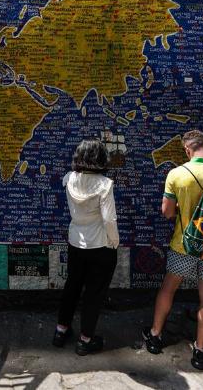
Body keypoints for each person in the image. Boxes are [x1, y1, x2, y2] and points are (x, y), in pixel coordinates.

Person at [142, 130, 203, 370]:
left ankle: (155, 336)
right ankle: (200, 350)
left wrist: (185, 211)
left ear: (187, 150)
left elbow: (167, 212)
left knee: (169, 289)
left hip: (183, 244)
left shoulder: (177, 174)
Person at [52, 139, 119, 355]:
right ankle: (85, 340)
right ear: (100, 158)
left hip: (75, 242)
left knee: (72, 286)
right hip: (100, 244)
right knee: (94, 293)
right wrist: (114, 242)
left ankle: (60, 331)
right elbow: (109, 220)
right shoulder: (105, 185)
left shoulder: (69, 179)